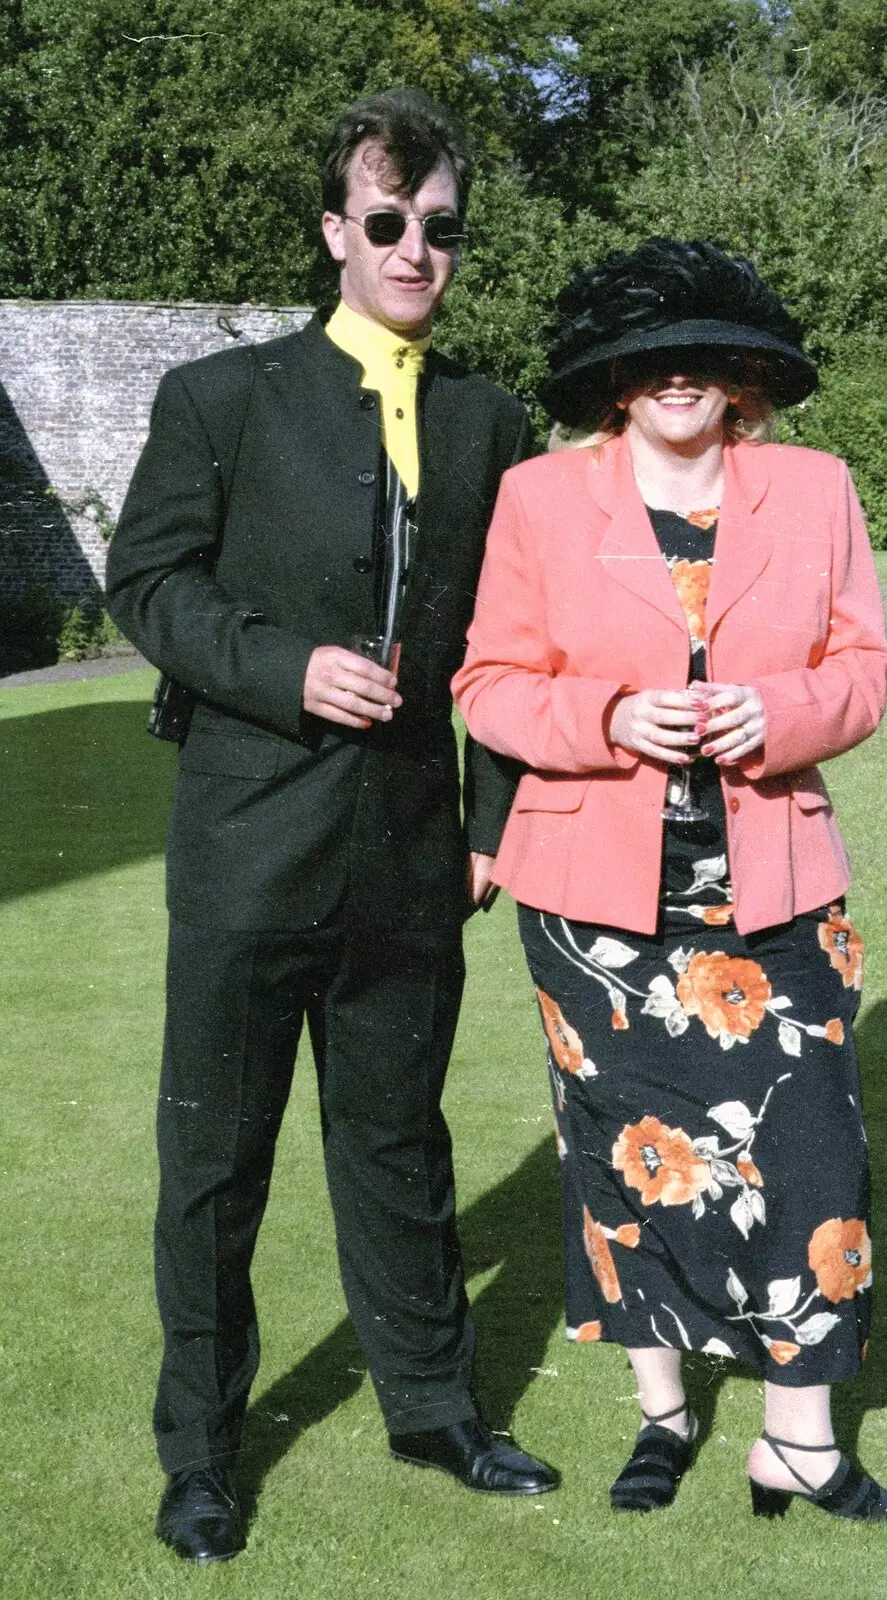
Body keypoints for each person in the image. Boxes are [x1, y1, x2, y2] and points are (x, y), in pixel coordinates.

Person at [106, 87, 557, 1566]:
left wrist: (493, 813)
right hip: (248, 843)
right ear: (333, 233)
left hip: (413, 854)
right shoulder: (220, 400)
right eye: (385, 220)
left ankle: (433, 1409)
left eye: (437, 227)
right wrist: (280, 666)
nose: (412, 246)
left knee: (395, 1143)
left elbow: (515, 641)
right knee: (217, 1161)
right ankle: (202, 1455)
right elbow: (151, 588)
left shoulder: (494, 422)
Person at [452, 238, 887, 1522]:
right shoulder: (541, 499)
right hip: (592, 904)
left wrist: (772, 710)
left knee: (817, 1154)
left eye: (700, 354)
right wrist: (613, 716)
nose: (674, 378)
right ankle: (662, 1419)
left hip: (778, 886)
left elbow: (866, 668)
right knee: (625, 1158)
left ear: (741, 375)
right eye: (645, 357)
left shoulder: (817, 488)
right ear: (612, 379)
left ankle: (801, 1442)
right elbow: (489, 683)